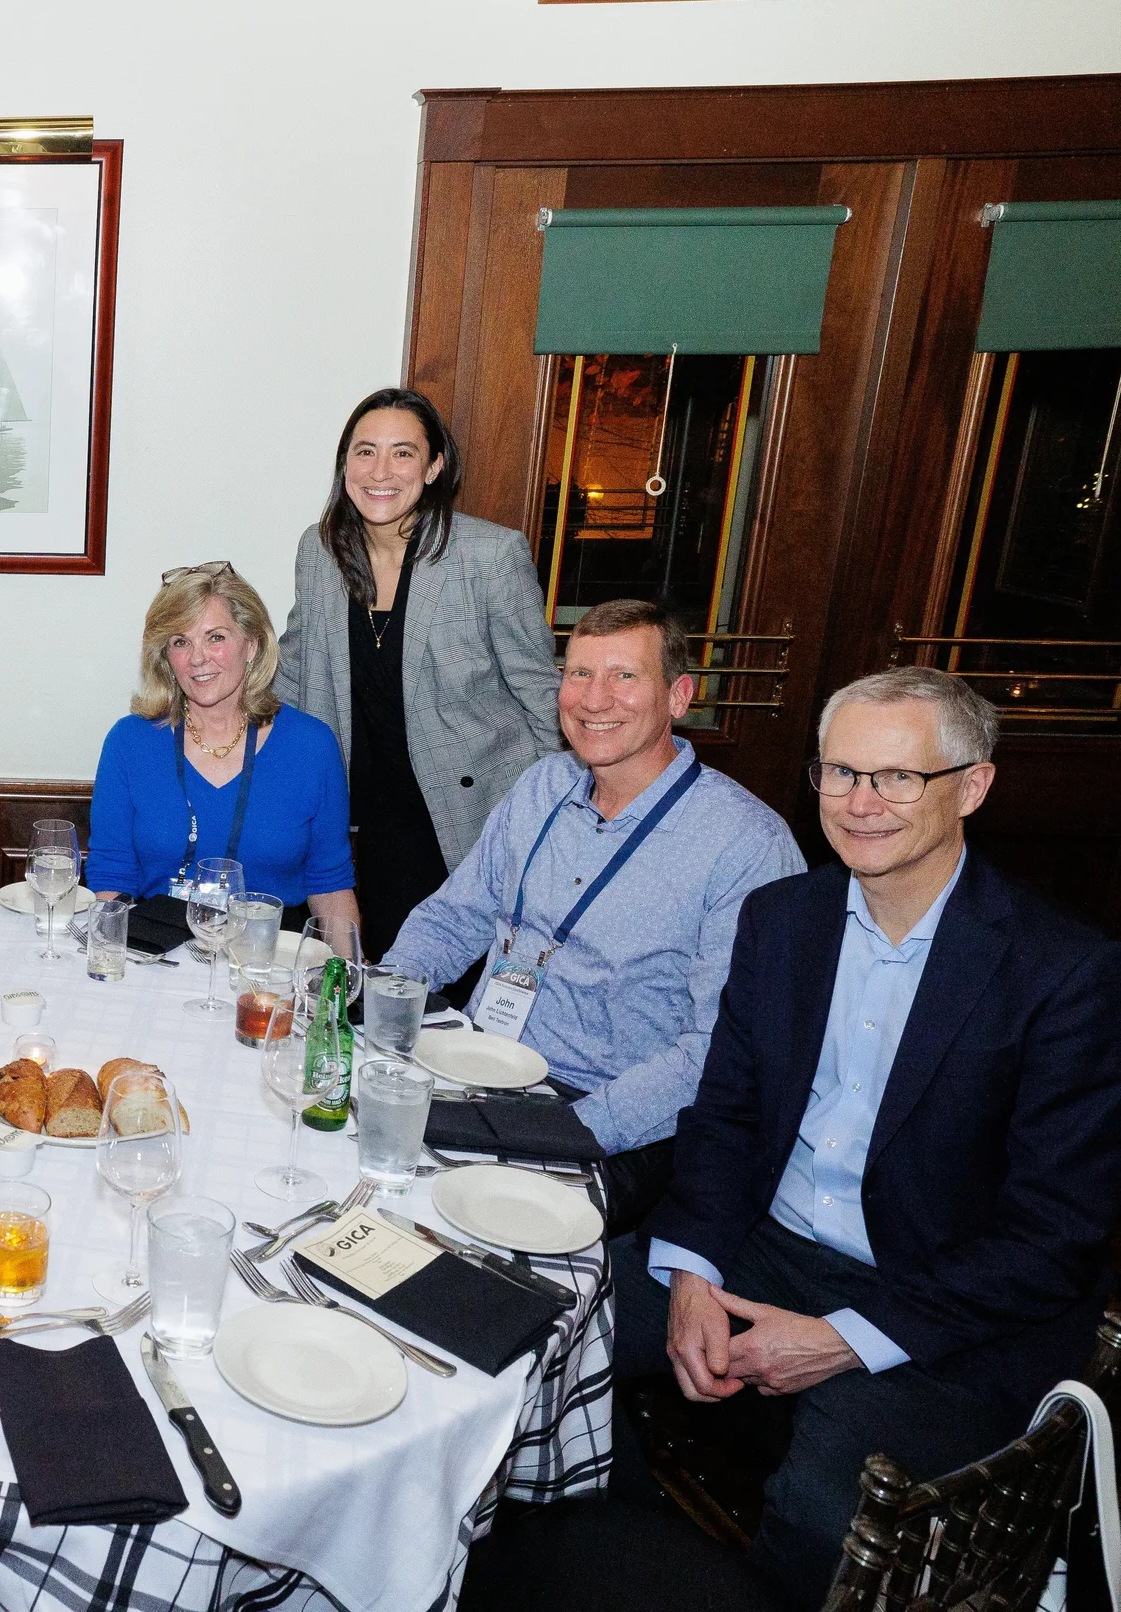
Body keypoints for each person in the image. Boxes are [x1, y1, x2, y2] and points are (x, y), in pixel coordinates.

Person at [617, 667, 1121, 1606]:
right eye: (840, 772)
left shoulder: (1065, 974)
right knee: (563, 1324)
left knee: (828, 1502)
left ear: (972, 786)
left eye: (897, 777)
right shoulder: (783, 919)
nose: (860, 802)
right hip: (773, 1245)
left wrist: (844, 1338)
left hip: (947, 1295)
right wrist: (690, 1269)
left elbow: (1054, 1238)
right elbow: (725, 1116)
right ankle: (622, 1559)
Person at [383, 599, 804, 1223]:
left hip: (608, 1117)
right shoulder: (542, 786)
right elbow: (454, 917)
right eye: (579, 674)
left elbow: (718, 1049)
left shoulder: (746, 845)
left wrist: (562, 1129)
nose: (594, 699)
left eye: (624, 677)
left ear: (679, 696)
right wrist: (383, 1010)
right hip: (478, 1067)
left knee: (458, 1245)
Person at [275, 388, 558, 954]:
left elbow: (543, 695)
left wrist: (553, 816)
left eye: (403, 453)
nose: (381, 471)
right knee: (355, 977)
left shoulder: (489, 555)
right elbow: (297, 670)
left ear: (434, 466)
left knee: (428, 995)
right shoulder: (321, 550)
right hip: (358, 813)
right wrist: (208, 714)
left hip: (463, 815)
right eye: (364, 451)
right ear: (345, 465)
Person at [87, 563, 360, 929]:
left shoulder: (311, 746)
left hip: (270, 963)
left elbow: (330, 885)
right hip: (158, 954)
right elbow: (110, 877)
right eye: (180, 642)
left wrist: (346, 978)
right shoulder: (129, 742)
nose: (197, 658)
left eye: (215, 637)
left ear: (251, 644)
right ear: (166, 658)